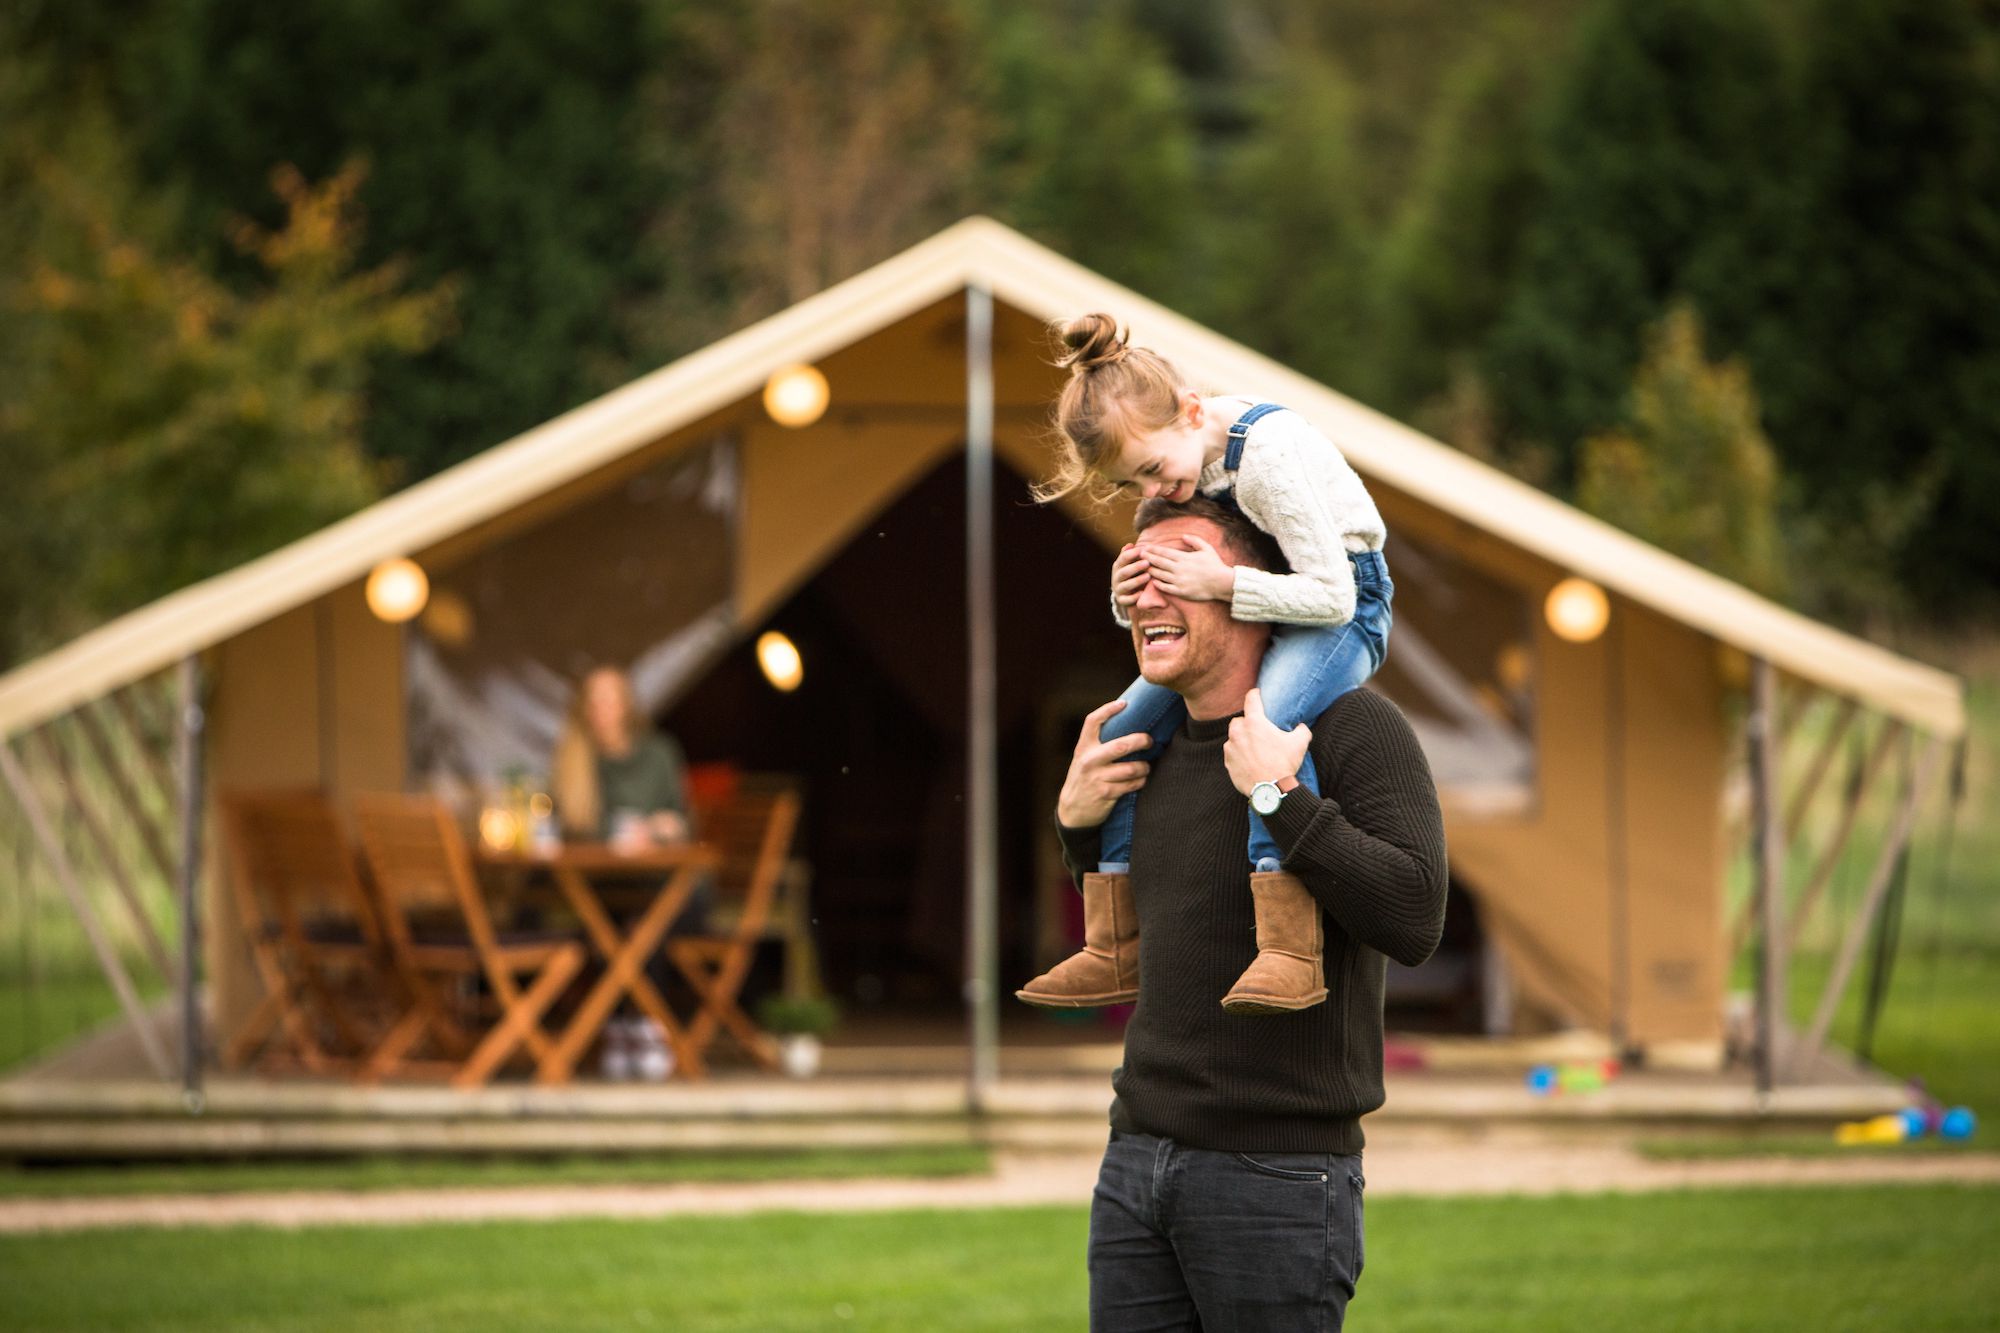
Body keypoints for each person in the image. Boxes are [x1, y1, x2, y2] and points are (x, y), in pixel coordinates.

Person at [1055, 496, 1446, 1330]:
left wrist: (1280, 794)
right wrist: (1077, 823)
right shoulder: (1145, 751)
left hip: (1279, 1176)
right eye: (1137, 576)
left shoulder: (1353, 729)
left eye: (1178, 568)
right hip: (1136, 1158)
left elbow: (1415, 916)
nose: (1148, 596)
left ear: (1255, 590)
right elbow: (1161, 914)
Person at [1018, 313, 1394, 1014]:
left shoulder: (1268, 455)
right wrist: (1122, 597)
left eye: (1153, 470)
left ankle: (1288, 947)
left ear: (1193, 411)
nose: (1155, 492)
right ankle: (1115, 939)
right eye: (1133, 484)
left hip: (1346, 604)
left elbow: (1334, 594)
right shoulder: (1184, 458)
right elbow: (1188, 589)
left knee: (1268, 721)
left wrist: (1221, 586)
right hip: (1268, 600)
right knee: (1120, 725)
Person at [550, 664, 706, 1079]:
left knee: (642, 922)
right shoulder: (575, 760)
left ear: (627, 706)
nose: (601, 710)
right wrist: (619, 833)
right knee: (607, 918)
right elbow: (567, 827)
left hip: (668, 883)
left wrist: (657, 828)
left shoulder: (659, 752)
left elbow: (682, 823)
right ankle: (621, 1028)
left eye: (609, 699)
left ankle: (643, 1028)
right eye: (593, 701)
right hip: (606, 882)